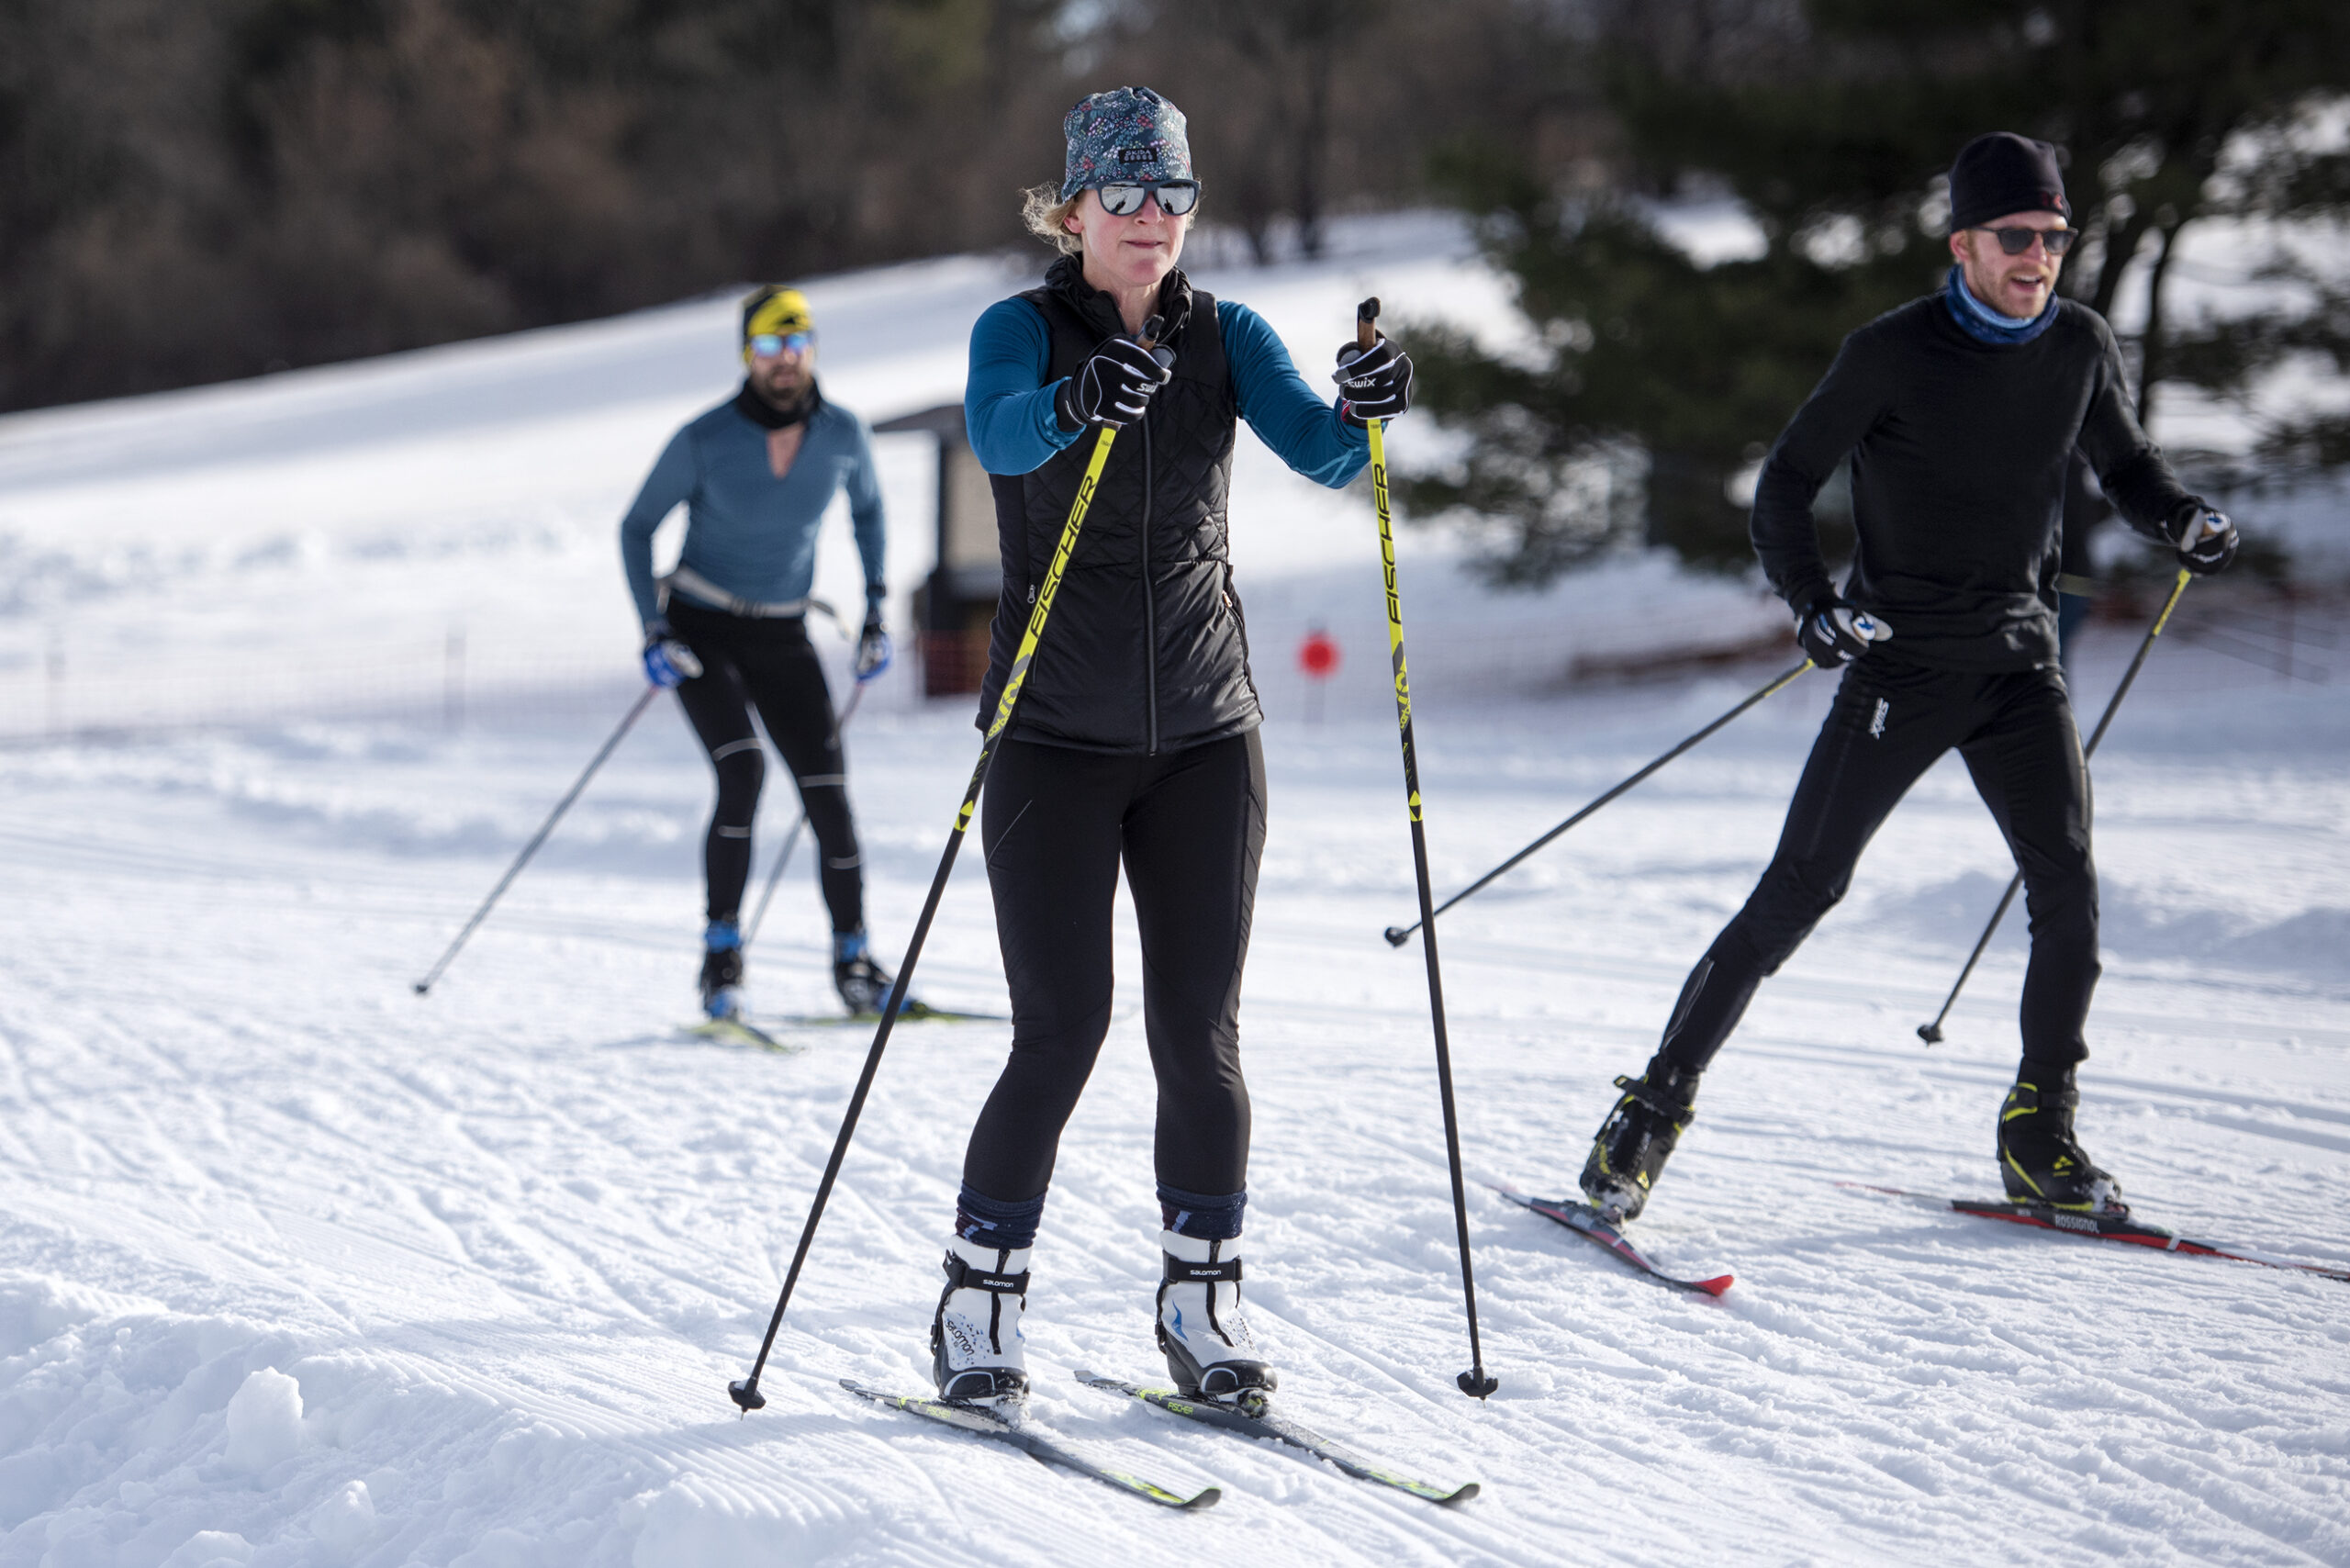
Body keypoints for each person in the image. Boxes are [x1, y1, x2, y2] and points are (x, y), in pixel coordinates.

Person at [1577, 132, 2239, 1224]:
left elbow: (2122, 464)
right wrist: (1812, 603)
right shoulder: (1891, 351)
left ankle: (2039, 1131)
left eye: (2054, 237)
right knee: (1802, 888)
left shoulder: (2077, 345)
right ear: (1963, 243)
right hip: (1903, 662)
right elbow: (1783, 484)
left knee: (2065, 885)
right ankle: (1651, 1109)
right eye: (2018, 237)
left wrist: (2181, 518)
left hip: (2019, 664)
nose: (2040, 257)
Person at [926, 85, 1413, 1406]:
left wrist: (1368, 409)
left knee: (1201, 1039)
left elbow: (1326, 453)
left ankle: (1203, 1305)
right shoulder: (1017, 331)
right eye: (1126, 196)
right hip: (1052, 739)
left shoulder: (1226, 335)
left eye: (1174, 196)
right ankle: (980, 1301)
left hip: (1207, 735)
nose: (1154, 221)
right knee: (1062, 1031)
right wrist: (1081, 396)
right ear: (1073, 207)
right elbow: (997, 435)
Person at [619, 286, 902, 1022]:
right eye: (772, 346)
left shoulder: (842, 434)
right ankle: (722, 961)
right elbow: (635, 526)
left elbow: (869, 510)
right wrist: (654, 629)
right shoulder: (706, 438)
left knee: (828, 793)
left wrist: (875, 610)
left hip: (783, 633)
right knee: (741, 772)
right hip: (701, 630)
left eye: (799, 343)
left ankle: (854, 961)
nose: (787, 360)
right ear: (748, 353)